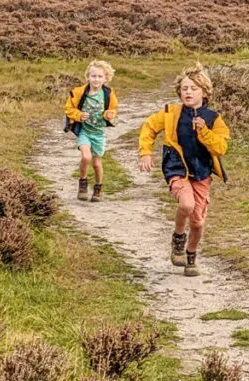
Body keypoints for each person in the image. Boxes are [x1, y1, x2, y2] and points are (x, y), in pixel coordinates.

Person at [138, 62, 230, 276]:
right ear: (179, 91)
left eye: (194, 88)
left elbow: (221, 148)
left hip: (201, 172)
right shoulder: (172, 113)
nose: (188, 92)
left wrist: (204, 131)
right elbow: (149, 127)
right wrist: (145, 152)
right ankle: (178, 238)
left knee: (198, 222)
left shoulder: (214, 119)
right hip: (176, 167)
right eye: (185, 88)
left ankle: (191, 256)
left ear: (205, 92)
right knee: (186, 205)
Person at [64, 60, 119, 202]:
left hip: (99, 134)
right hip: (85, 132)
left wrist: (109, 114)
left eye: (100, 77)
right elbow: (69, 109)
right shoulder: (79, 92)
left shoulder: (108, 93)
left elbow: (113, 108)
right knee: (86, 157)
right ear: (87, 77)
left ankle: (98, 188)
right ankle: (82, 184)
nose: (96, 79)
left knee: (96, 163)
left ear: (106, 78)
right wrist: (78, 115)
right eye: (93, 76)